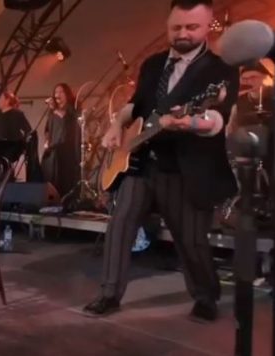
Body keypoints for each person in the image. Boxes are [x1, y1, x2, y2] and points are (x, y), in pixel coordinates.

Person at [83, 0, 238, 321]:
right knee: (119, 226)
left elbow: (217, 118)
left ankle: (206, 297)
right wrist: (116, 125)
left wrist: (190, 123)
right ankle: (109, 294)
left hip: (185, 168)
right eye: (176, 27)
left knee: (190, 240)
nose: (183, 33)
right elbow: (135, 105)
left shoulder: (221, 69)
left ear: (208, 25)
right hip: (141, 162)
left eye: (192, 27)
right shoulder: (153, 64)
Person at [41, 83, 81, 198]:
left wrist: (54, 109)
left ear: (67, 94)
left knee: (66, 179)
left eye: (61, 92)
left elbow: (64, 120)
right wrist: (47, 140)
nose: (57, 94)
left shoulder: (73, 109)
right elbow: (47, 129)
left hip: (68, 151)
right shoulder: (52, 112)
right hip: (54, 150)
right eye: (56, 92)